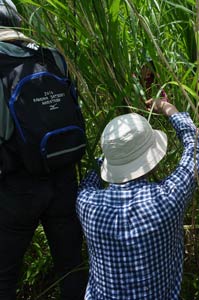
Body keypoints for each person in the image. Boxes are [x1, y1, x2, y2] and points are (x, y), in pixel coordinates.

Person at [76, 98, 199, 299]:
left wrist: (111, 154)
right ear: (151, 159)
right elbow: (196, 147)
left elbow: (89, 179)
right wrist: (168, 108)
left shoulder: (86, 204)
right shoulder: (166, 200)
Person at [0, 1, 87, 299]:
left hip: (17, 185)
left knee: (4, 274)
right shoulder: (51, 55)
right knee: (72, 266)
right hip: (63, 175)